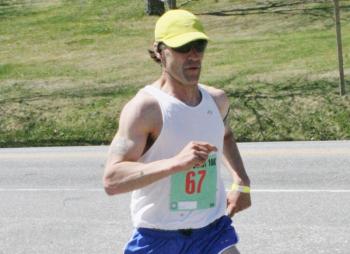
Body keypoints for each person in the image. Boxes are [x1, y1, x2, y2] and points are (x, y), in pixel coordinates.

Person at [103, 9, 251, 254]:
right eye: (183, 47)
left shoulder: (216, 101)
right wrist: (176, 163)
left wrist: (241, 181)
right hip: (159, 237)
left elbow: (224, 135)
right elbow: (112, 180)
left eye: (199, 46)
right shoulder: (146, 109)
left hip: (212, 232)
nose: (193, 56)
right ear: (161, 52)